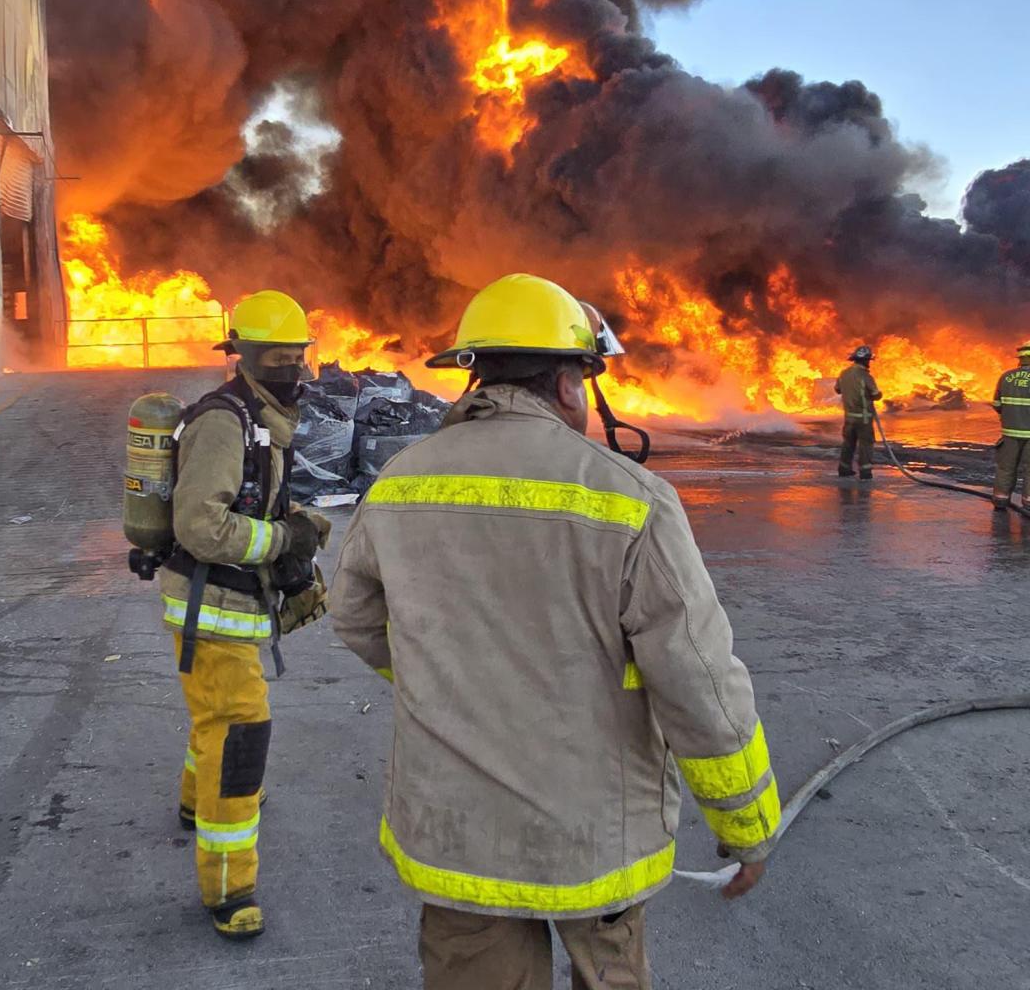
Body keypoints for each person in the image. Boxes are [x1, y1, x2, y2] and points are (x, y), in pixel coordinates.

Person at [329, 273, 780, 990]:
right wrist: (748, 825)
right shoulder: (634, 501)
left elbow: (354, 616)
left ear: (474, 375)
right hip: (590, 839)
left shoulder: (400, 484)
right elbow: (699, 684)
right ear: (572, 385)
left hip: (456, 832)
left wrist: (448, 679)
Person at [161, 290, 331, 940]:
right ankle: (229, 891)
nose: (293, 367)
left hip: (230, 605)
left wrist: (295, 528)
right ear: (246, 357)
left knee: (214, 715)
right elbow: (200, 525)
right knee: (239, 733)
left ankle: (188, 803)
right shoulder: (224, 422)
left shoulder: (264, 421)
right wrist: (281, 543)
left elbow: (253, 504)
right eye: (278, 356)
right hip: (210, 603)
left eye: (298, 355)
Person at [991, 340, 1030, 511]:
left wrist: (1009, 417)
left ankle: (1000, 500)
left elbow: (997, 404)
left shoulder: (1005, 377)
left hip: (1009, 433)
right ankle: (1029, 503)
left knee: (1006, 467)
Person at [835, 345, 883, 480]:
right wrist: (879, 394)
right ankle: (865, 473)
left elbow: (837, 389)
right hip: (864, 419)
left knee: (848, 443)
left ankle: (844, 469)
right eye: (868, 360)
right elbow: (875, 394)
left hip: (849, 417)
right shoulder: (866, 376)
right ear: (865, 361)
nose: (869, 363)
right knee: (865, 444)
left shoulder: (844, 374)